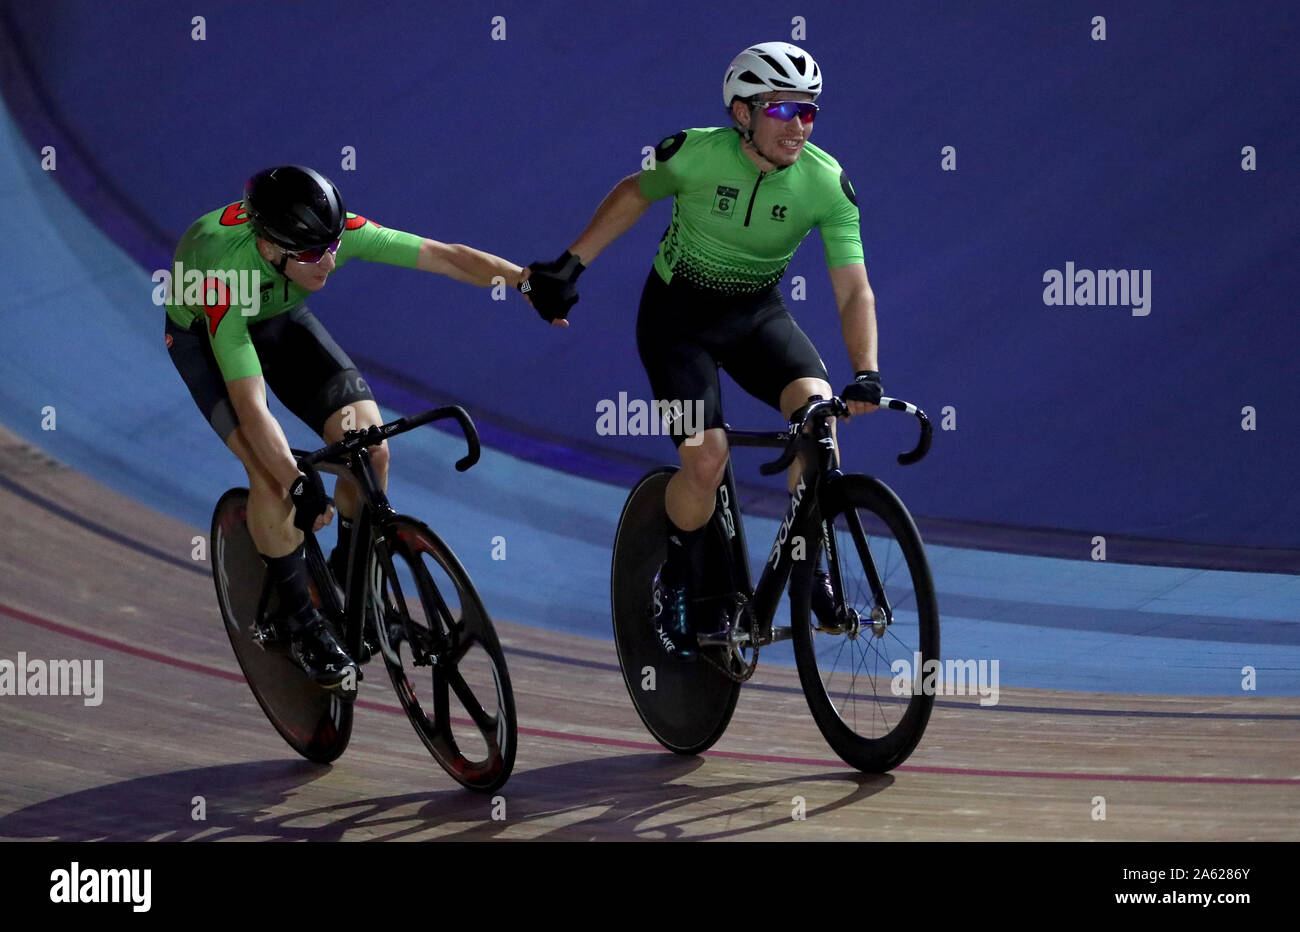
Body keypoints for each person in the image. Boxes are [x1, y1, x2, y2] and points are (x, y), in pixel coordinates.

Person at [521, 42, 884, 659]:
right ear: (743, 113)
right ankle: (680, 578)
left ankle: (809, 564)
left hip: (756, 317)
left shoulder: (825, 183)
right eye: (783, 109)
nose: (799, 125)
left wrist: (867, 372)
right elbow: (636, 193)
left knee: (818, 417)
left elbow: (853, 291)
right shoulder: (694, 154)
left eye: (810, 112)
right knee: (706, 458)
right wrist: (571, 263)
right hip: (676, 323)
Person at [165, 165, 529, 690]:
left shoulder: (329, 236)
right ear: (270, 247)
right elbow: (252, 407)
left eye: (334, 246)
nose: (331, 262)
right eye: (315, 255)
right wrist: (295, 481)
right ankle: (301, 621)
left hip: (279, 316)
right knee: (271, 478)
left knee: (370, 448)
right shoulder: (226, 278)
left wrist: (524, 280)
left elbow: (444, 255)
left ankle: (343, 574)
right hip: (206, 337)